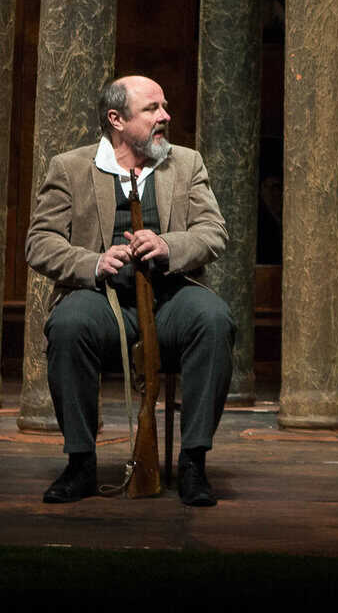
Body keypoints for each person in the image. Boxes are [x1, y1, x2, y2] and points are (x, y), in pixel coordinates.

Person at [25, 75, 234, 507]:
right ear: (116, 119)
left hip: (172, 297)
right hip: (103, 300)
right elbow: (40, 242)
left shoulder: (186, 164)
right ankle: (80, 463)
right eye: (152, 109)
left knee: (213, 319)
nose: (165, 116)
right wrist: (93, 262)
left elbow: (213, 232)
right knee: (69, 325)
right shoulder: (71, 168)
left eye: (165, 106)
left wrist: (167, 245)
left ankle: (193, 462)